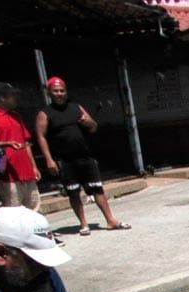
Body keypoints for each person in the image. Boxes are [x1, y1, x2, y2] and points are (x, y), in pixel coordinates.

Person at [35, 76, 130, 236]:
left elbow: (93, 128)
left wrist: (88, 122)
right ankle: (83, 224)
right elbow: (41, 137)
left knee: (97, 188)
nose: (59, 94)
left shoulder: (76, 108)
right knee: (73, 192)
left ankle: (110, 220)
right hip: (65, 159)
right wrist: (49, 160)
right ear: (49, 93)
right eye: (56, 91)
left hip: (85, 156)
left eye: (62, 90)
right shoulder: (44, 114)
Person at [0, 82, 42, 211]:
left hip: (26, 170)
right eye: (13, 95)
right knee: (13, 210)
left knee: (35, 209)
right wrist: (6, 143)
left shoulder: (16, 116)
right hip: (7, 173)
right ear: (2, 97)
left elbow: (26, 143)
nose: (16, 98)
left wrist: (34, 167)